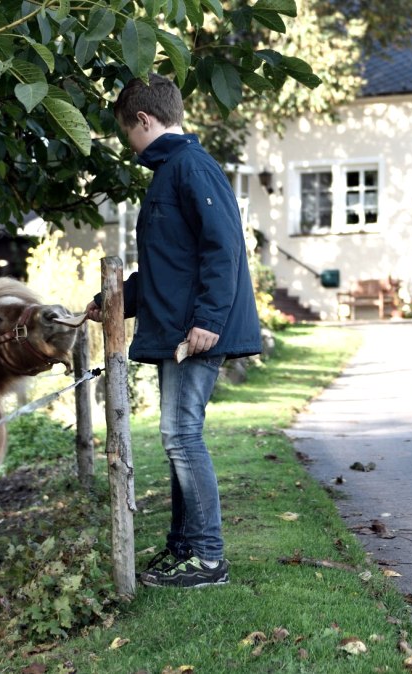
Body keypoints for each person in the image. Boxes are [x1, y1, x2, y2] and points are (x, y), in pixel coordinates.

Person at [84, 74, 263, 588]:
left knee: (181, 436)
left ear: (144, 119)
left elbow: (224, 248)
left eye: (128, 132)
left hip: (195, 334)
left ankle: (208, 559)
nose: (129, 144)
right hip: (181, 329)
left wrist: (209, 320)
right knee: (180, 437)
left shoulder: (189, 168)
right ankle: (182, 548)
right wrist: (112, 303)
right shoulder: (173, 171)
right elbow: (167, 266)